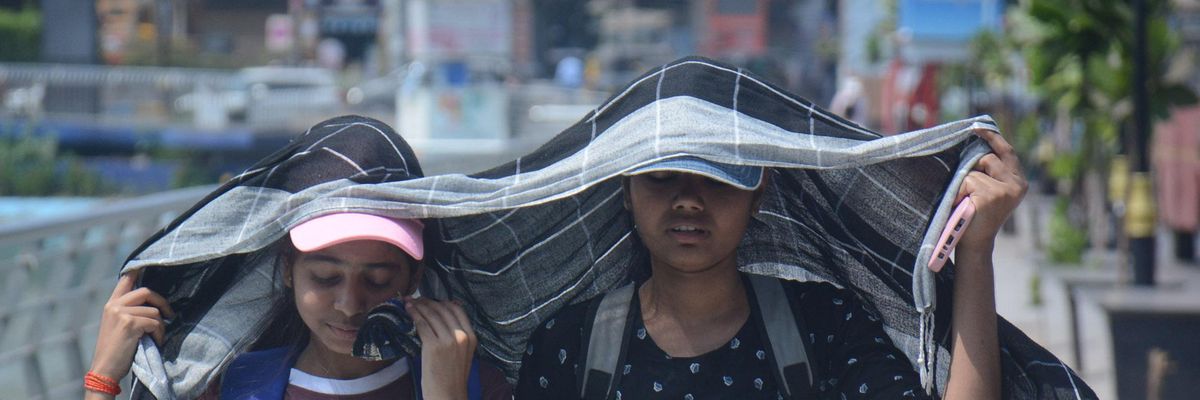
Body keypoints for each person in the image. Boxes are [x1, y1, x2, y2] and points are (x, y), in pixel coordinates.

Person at [516, 128, 1023, 399]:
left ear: (759, 191)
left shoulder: (822, 325)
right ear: (625, 191)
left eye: (718, 179)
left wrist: (975, 252)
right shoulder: (570, 346)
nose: (689, 200)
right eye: (663, 177)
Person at [84, 117, 512, 400]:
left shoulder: (474, 383)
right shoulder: (233, 386)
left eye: (378, 279)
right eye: (326, 277)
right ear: (287, 270)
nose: (350, 303)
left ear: (413, 276)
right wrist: (103, 378)